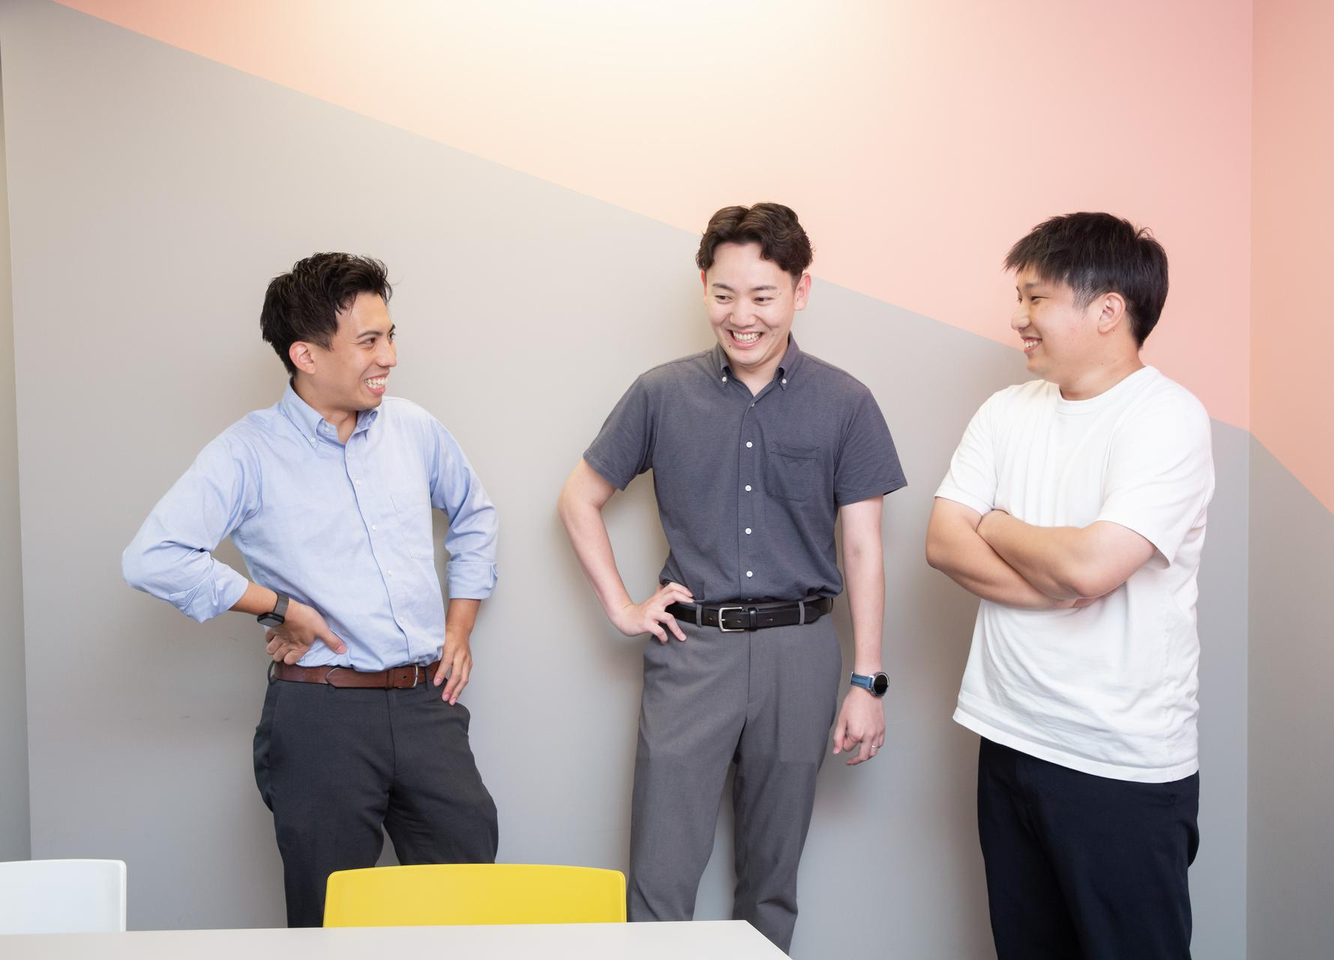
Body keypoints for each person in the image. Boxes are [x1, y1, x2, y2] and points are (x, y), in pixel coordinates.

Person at [558, 203, 906, 953]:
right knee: (659, 877)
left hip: (800, 653)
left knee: (772, 880)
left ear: (800, 290)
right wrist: (622, 606)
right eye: (723, 294)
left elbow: (863, 548)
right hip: (692, 651)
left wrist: (867, 680)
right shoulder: (660, 392)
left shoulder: (846, 403)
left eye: (762, 296)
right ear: (705, 289)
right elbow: (577, 498)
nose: (741, 316)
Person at [122, 253, 500, 926]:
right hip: (322, 716)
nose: (389, 356)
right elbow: (153, 557)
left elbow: (475, 514)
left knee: (470, 910)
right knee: (329, 921)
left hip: (426, 705)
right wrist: (279, 607)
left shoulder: (414, 429)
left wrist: (460, 628)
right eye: (369, 341)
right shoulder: (246, 452)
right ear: (306, 355)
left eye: (390, 335)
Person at [926, 212, 1214, 959]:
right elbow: (943, 541)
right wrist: (1048, 582)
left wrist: (995, 522)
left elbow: (1091, 566)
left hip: (1119, 761)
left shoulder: (1167, 419)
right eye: (1020, 298)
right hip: (1009, 734)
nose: (1018, 318)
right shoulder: (1005, 411)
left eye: (1036, 298)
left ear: (1107, 310)